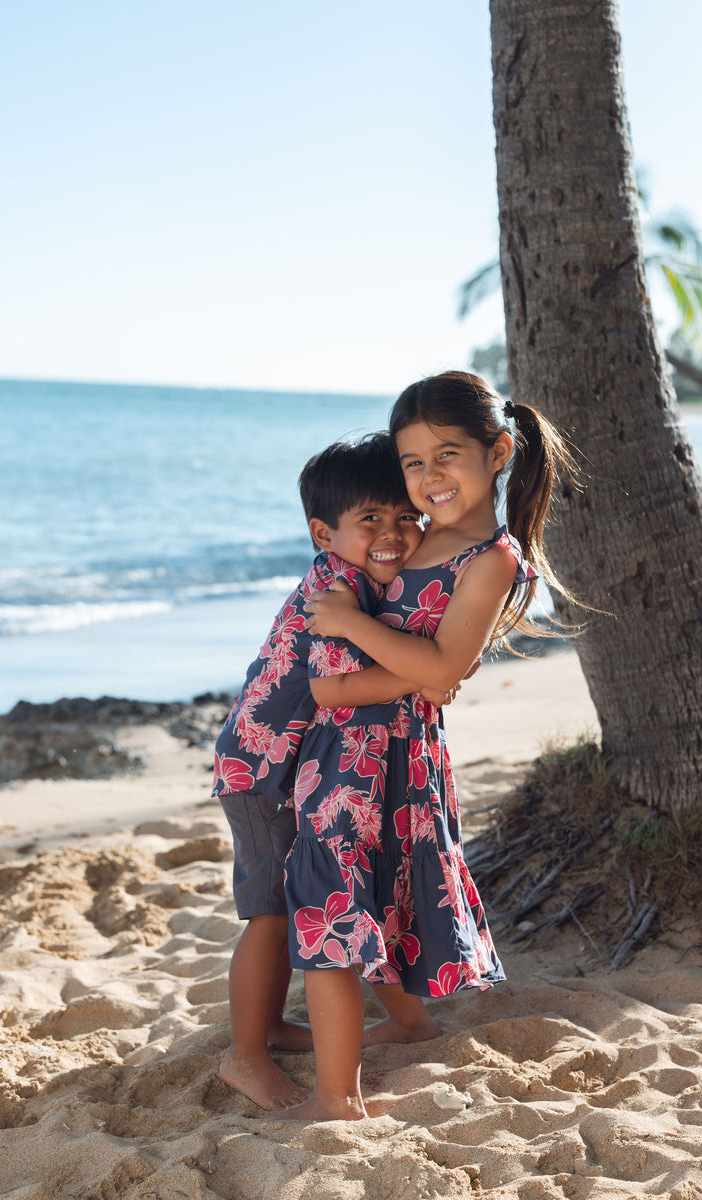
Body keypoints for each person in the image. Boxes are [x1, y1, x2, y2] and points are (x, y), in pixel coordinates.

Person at [282, 370, 579, 1122]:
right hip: (345, 748)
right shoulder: (414, 533)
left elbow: (441, 670)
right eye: (414, 462)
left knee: (332, 904)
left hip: (384, 754)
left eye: (448, 454)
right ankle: (409, 1021)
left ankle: (336, 1100)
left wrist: (349, 634)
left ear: (500, 450)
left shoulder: (492, 558)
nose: (429, 477)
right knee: (372, 890)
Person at [213, 433, 441, 1112]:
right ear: (325, 532)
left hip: (297, 770)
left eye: (406, 518)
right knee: (273, 914)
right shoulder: (333, 589)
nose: (392, 534)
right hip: (260, 772)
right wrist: (427, 675)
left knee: (307, 899)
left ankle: (275, 1028)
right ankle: (245, 1055)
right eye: (370, 520)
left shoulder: (367, 583)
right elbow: (333, 688)